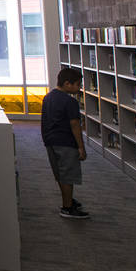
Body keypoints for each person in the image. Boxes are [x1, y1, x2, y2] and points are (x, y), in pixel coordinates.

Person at [41, 67, 89, 218]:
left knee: (60, 174)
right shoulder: (70, 102)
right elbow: (75, 125)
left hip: (50, 140)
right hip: (66, 142)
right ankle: (67, 207)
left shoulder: (48, 97)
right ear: (67, 84)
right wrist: (81, 147)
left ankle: (68, 200)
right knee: (68, 175)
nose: (79, 87)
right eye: (77, 84)